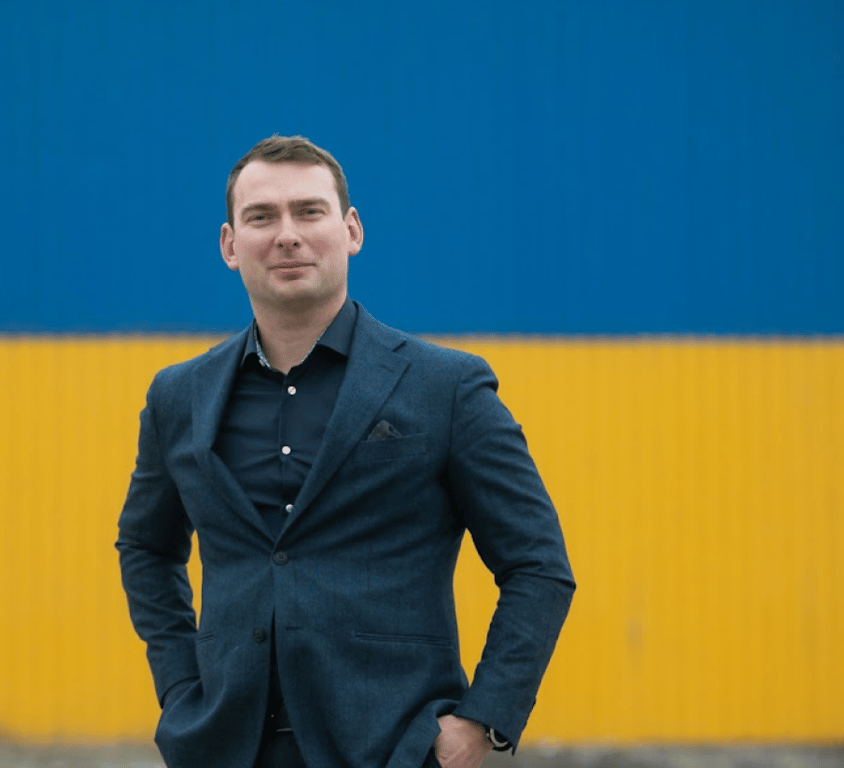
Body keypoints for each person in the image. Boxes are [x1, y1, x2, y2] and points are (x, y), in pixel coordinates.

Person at [116, 135, 574, 768]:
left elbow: (537, 564)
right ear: (229, 245)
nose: (287, 235)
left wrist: (481, 723)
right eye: (261, 217)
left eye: (309, 212)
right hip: (224, 748)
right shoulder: (178, 396)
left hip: (396, 750)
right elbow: (146, 547)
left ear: (351, 230)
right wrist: (179, 688)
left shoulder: (447, 388)